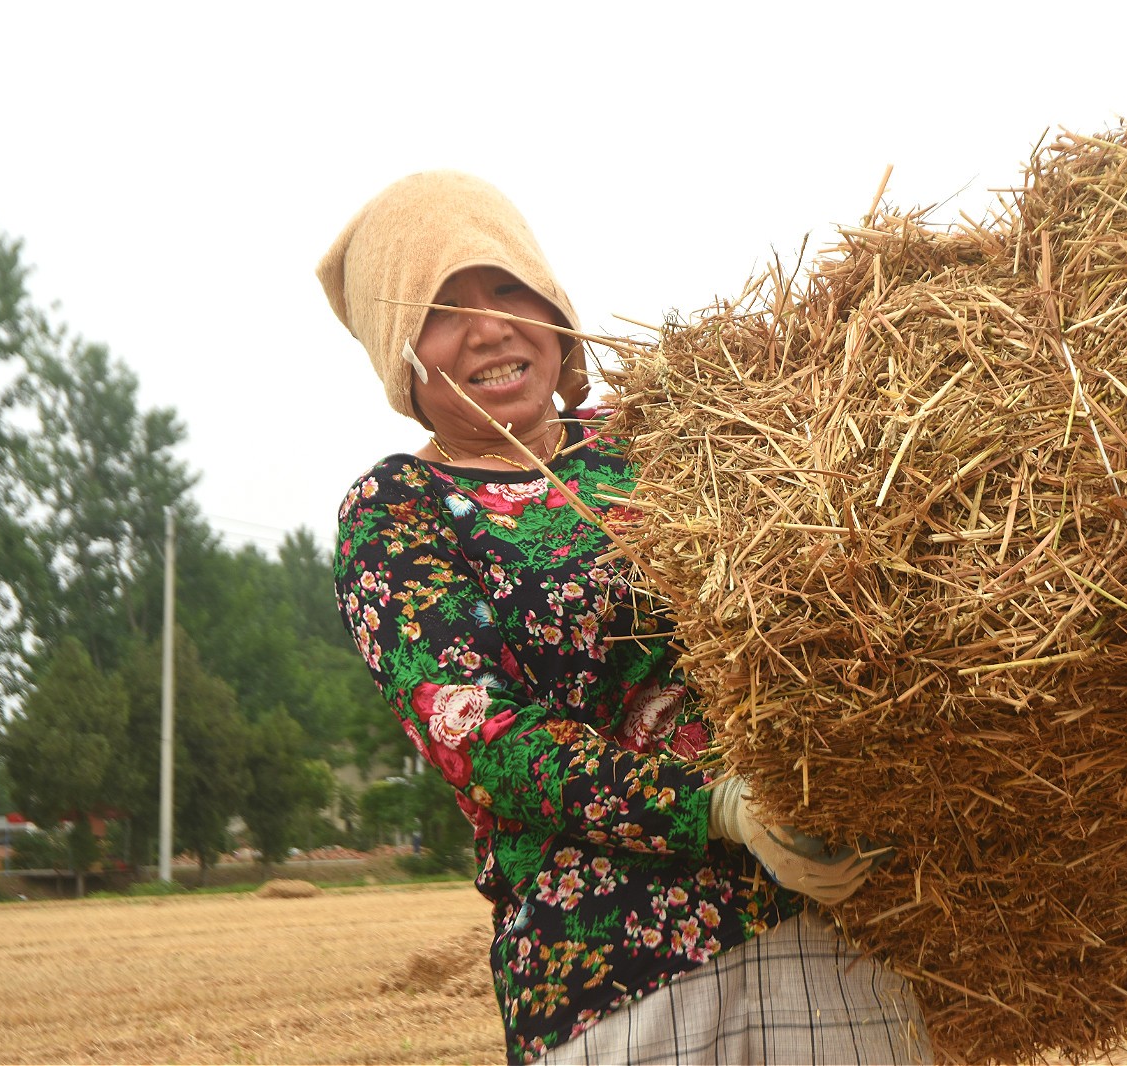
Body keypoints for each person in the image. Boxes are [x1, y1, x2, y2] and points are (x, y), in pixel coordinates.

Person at [320, 171, 931, 1065]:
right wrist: (716, 808)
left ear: (551, 305)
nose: (489, 324)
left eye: (504, 285)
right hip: (612, 977)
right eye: (443, 308)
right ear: (402, 353)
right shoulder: (401, 508)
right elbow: (482, 737)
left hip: (825, 930)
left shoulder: (663, 437)